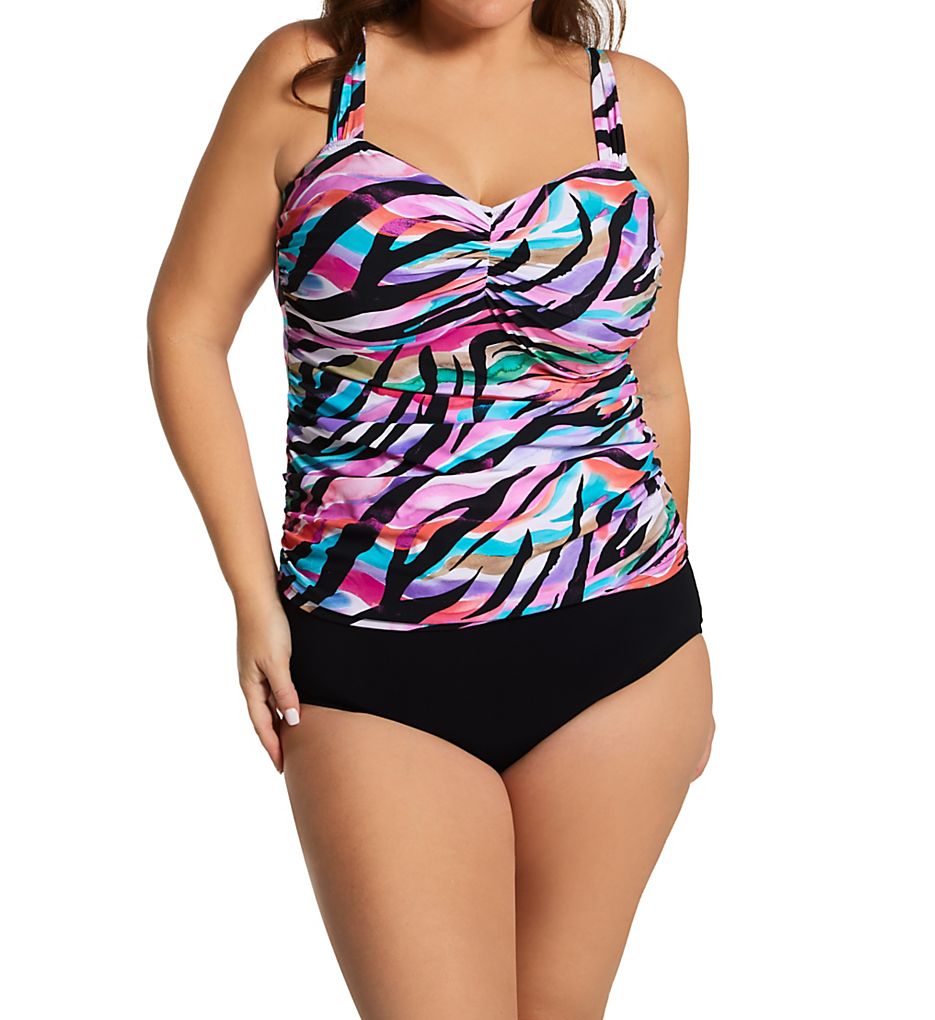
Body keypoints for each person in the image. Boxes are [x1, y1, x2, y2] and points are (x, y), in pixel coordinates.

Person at [147, 1, 716, 1016]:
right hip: (370, 658)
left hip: (622, 655)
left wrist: (679, 623)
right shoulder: (308, 80)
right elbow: (185, 330)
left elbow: (656, 378)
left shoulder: (638, 105)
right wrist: (250, 597)